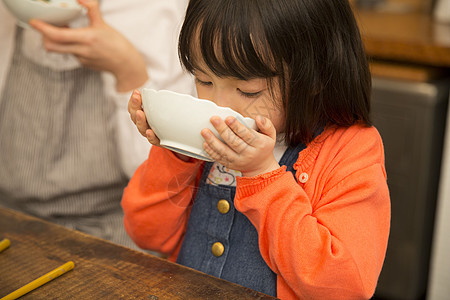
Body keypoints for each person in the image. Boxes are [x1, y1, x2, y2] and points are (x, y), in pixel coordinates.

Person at [122, 0, 391, 298]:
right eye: (204, 80)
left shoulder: (350, 150)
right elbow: (146, 233)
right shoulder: (204, 137)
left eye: (247, 90)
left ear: (314, 77)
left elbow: (345, 287)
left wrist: (262, 175)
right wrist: (176, 148)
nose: (220, 105)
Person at [0, 0, 193, 249]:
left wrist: (126, 69)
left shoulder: (157, 10)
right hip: (8, 213)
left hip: (109, 230)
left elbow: (161, 173)